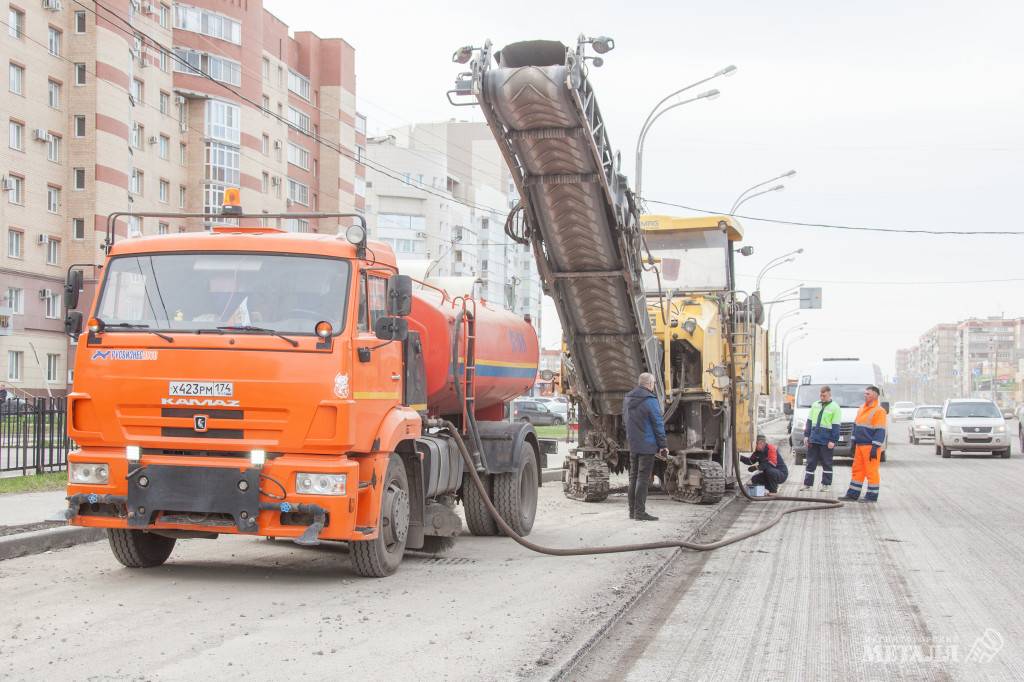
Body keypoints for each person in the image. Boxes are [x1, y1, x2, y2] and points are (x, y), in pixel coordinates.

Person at [623, 372, 668, 521]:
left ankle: (632, 512)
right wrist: (663, 445)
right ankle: (640, 513)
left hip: (633, 444)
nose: (654, 385)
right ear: (649, 384)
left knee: (633, 478)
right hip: (647, 445)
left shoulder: (628, 398)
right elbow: (658, 423)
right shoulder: (650, 400)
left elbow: (625, 421)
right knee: (642, 479)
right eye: (654, 383)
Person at [840, 385, 887, 503]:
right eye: (865, 393)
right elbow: (856, 426)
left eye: (868, 394)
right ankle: (853, 494)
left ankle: (872, 496)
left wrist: (875, 447)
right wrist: (853, 442)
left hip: (870, 446)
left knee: (871, 471)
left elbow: (880, 431)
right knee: (857, 470)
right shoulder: (861, 408)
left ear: (875, 396)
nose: (865, 395)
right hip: (860, 446)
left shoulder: (879, 411)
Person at [801, 385, 842, 492]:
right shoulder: (815, 405)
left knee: (827, 463)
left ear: (829, 394)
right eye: (821, 395)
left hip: (826, 440)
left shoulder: (835, 407)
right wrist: (806, 435)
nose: (822, 397)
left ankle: (826, 485)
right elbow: (809, 422)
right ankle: (807, 484)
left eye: (824, 395)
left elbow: (836, 426)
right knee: (810, 462)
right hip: (814, 438)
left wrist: (833, 440)